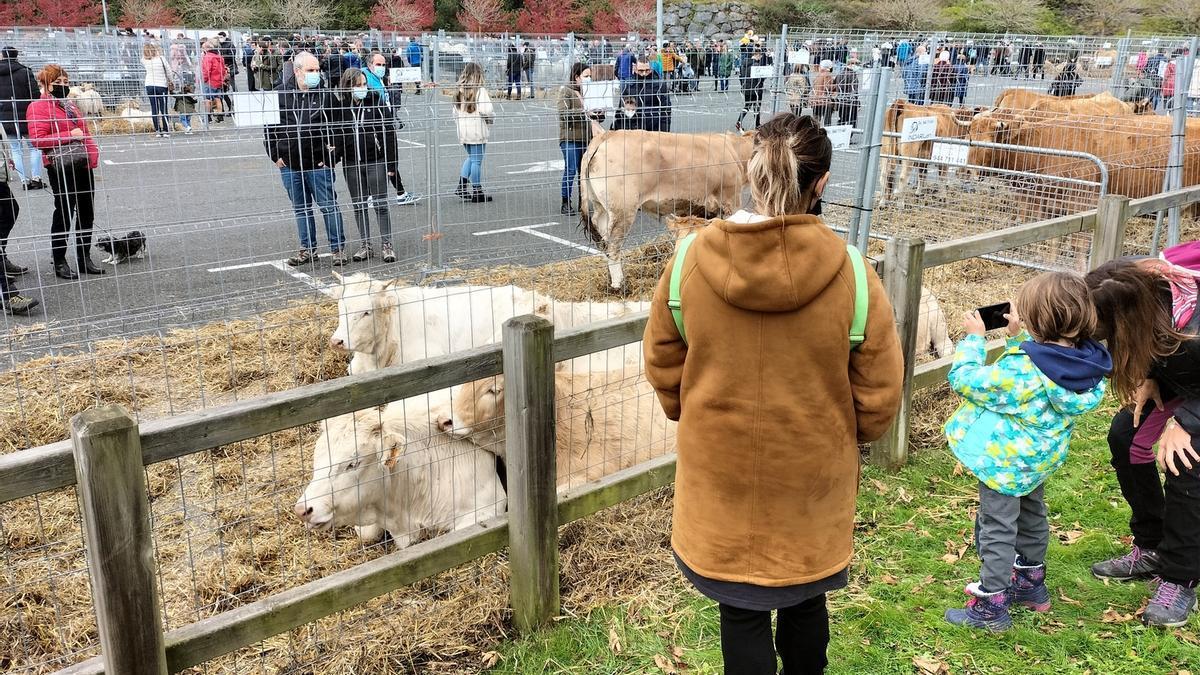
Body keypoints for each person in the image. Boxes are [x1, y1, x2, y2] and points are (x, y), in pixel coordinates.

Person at [643, 112, 903, 674]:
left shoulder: (688, 262)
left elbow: (664, 364)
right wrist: (844, 434)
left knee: (740, 613)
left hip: (720, 479)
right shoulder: (855, 276)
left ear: (752, 173)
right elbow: (880, 395)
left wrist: (691, 414)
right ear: (823, 183)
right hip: (811, 483)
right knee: (807, 599)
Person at [943, 274, 1110, 631]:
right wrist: (1018, 338)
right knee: (1032, 515)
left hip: (1005, 463)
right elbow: (1042, 364)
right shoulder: (1086, 362)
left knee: (997, 527)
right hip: (1037, 460)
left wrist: (974, 340)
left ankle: (990, 606)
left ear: (1040, 320)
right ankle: (1030, 585)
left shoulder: (1024, 368)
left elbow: (966, 379)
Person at [1086, 256, 1200, 627]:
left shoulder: (1195, 327)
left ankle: (1179, 578)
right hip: (1186, 381)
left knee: (1184, 459)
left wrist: (1186, 422)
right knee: (1125, 436)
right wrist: (1151, 376)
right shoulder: (1145, 297)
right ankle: (1152, 546)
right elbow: (1159, 342)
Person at [263, 52, 347, 267]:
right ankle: (307, 249)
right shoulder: (279, 94)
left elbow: (339, 129)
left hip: (319, 164)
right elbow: (269, 128)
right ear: (298, 71)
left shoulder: (326, 96)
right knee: (301, 208)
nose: (316, 74)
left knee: (329, 205)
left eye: (318, 70)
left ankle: (337, 248)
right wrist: (275, 155)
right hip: (290, 164)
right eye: (311, 70)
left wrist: (331, 156)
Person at [27, 64, 105, 280]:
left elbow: (85, 133)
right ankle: (59, 259)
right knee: (64, 211)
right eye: (57, 83)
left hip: (81, 164)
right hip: (59, 166)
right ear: (45, 84)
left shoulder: (71, 106)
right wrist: (69, 135)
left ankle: (84, 257)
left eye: (66, 82)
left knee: (86, 211)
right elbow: (37, 140)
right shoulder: (37, 107)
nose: (63, 86)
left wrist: (92, 156)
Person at [333, 68, 396, 264]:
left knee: (380, 204)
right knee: (359, 205)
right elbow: (337, 136)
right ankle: (365, 245)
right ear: (348, 86)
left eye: (364, 84)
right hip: (351, 164)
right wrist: (331, 157)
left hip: (375, 161)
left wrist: (391, 163)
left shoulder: (376, 101)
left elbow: (389, 133)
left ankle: (387, 245)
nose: (362, 88)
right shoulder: (341, 107)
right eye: (358, 85)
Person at [557, 63, 604, 216]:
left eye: (590, 76)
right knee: (570, 170)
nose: (589, 79)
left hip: (586, 138)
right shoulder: (566, 91)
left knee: (584, 172)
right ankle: (565, 202)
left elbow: (594, 118)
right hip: (570, 138)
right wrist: (585, 112)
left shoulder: (590, 92)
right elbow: (564, 114)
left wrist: (598, 113)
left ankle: (582, 202)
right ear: (576, 77)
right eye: (586, 76)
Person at [0, 47, 44, 190]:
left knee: (15, 149)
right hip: (27, 116)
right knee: (34, 147)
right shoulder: (25, 72)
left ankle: (24, 181)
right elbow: (36, 95)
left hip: (6, 117)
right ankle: (36, 178)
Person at [452, 62, 494, 204]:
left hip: (463, 131)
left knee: (471, 157)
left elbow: (454, 113)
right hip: (477, 130)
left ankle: (462, 185)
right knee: (476, 160)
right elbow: (486, 110)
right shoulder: (479, 91)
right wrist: (490, 120)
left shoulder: (459, 91)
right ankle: (477, 191)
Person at [141, 43, 174, 137]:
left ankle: (158, 130)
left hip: (149, 85)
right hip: (161, 85)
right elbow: (168, 71)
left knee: (154, 108)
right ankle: (166, 130)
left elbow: (146, 58)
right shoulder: (161, 59)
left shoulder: (144, 60)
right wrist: (171, 81)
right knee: (163, 108)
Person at [735, 51, 767, 132]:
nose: (760, 58)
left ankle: (739, 121)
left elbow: (740, 77)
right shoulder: (756, 65)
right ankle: (757, 124)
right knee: (757, 106)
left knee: (747, 105)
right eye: (760, 56)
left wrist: (743, 86)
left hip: (747, 88)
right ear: (756, 55)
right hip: (756, 88)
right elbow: (761, 78)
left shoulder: (743, 64)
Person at [199, 40, 228, 129]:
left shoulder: (208, 57)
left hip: (210, 81)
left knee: (207, 99)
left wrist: (204, 79)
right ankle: (220, 115)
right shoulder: (219, 57)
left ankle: (208, 116)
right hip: (218, 80)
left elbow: (207, 70)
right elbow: (223, 70)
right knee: (218, 98)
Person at [833, 58, 859, 127]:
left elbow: (834, 85)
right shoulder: (853, 75)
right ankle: (849, 135)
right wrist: (857, 102)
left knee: (842, 120)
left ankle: (841, 134)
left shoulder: (840, 74)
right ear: (851, 64)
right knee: (852, 121)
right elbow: (854, 90)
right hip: (851, 102)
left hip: (841, 101)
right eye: (856, 64)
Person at [808, 60, 834, 127]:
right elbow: (827, 87)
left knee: (816, 121)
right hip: (824, 101)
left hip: (816, 100)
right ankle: (826, 135)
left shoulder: (818, 75)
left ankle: (815, 134)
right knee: (827, 122)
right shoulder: (827, 75)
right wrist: (835, 86)